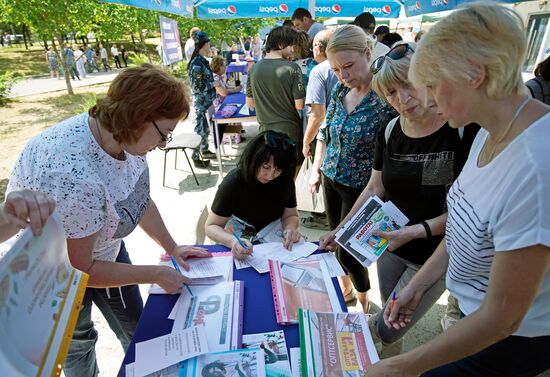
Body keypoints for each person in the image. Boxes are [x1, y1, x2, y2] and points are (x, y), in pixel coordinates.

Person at [366, 3, 550, 376]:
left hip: (512, 342)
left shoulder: (536, 166)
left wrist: (402, 367)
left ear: (474, 74)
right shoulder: (487, 132)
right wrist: (418, 285)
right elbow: (463, 225)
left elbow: (503, 318)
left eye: (432, 85)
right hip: (473, 314)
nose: (428, 99)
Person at [7, 64, 211, 377]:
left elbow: (137, 199)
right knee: (79, 343)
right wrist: (155, 273)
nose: (162, 145)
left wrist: (172, 248)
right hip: (52, 277)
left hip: (103, 250)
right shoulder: (72, 174)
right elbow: (80, 268)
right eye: (164, 134)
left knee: (139, 331)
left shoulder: (127, 137)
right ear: (138, 116)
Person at [319, 42, 478, 353]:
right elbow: (374, 188)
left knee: (388, 328)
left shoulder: (461, 130)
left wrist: (416, 231)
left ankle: (354, 341)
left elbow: (471, 210)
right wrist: (341, 229)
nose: (403, 99)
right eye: (391, 92)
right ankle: (388, 365)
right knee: (393, 329)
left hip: (437, 253)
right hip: (389, 245)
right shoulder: (390, 130)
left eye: (408, 85)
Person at [308, 25, 397, 313]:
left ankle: (363, 302)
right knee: (336, 242)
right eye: (335, 70)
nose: (343, 75)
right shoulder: (339, 93)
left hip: (363, 187)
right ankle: (347, 289)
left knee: (350, 250)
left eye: (348, 66)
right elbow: (325, 130)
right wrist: (316, 166)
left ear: (368, 53)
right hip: (332, 180)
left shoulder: (386, 98)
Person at [205, 131, 300, 259]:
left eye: (278, 169)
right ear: (254, 159)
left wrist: (290, 227)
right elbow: (211, 226)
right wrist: (232, 241)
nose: (271, 175)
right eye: (266, 166)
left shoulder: (284, 178)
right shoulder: (234, 182)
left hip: (272, 237)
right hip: (238, 236)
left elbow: (291, 215)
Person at [246, 26, 305, 161]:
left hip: (265, 133)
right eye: (291, 45)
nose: (293, 49)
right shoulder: (293, 68)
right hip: (291, 132)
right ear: (280, 44)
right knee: (291, 175)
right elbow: (300, 105)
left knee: (273, 172)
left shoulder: (253, 69)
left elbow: (250, 103)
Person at [303, 29, 338, 159]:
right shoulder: (352, 67)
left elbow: (317, 115)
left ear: (317, 48)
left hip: (325, 140)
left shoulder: (318, 71)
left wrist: (306, 142)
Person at [188, 31, 218, 168]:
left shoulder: (202, 61)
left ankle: (204, 150)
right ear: (204, 44)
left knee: (205, 129)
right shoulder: (197, 63)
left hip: (207, 102)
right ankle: (195, 157)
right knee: (200, 130)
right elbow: (196, 87)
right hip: (201, 103)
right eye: (208, 42)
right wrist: (213, 84)